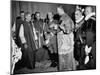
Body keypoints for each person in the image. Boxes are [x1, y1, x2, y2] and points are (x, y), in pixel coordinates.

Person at [57, 6, 75, 71]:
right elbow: (59, 27)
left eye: (58, 10)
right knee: (66, 59)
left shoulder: (65, 18)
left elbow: (68, 30)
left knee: (66, 59)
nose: (57, 12)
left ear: (62, 10)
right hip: (64, 42)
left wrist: (63, 29)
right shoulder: (63, 17)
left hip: (65, 42)